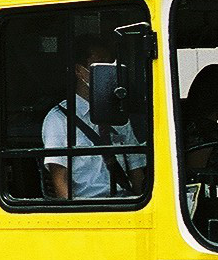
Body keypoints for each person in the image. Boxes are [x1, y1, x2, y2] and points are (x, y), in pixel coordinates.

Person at [42, 36, 147, 200]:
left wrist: (142, 201)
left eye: (110, 66)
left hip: (126, 202)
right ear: (79, 71)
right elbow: (60, 180)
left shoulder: (119, 113)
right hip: (89, 205)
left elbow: (136, 169)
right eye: (100, 66)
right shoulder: (58, 119)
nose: (108, 73)